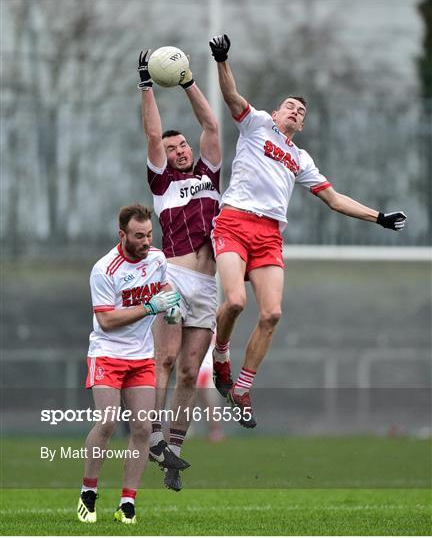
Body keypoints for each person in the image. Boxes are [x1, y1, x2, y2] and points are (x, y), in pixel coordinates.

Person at [208, 34, 407, 429]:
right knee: (233, 303)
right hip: (234, 220)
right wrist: (222, 60)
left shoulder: (300, 158)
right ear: (276, 111)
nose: (296, 112)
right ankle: (221, 355)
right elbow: (231, 96)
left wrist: (379, 216)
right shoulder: (257, 125)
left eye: (302, 111)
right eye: (291, 106)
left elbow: (333, 198)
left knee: (273, 313)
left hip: (268, 235)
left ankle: (243, 388)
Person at [137, 50, 222, 491]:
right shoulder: (162, 183)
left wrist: (189, 82)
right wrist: (147, 87)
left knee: (191, 370)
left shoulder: (210, 173)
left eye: (181, 144)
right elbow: (152, 135)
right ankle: (153, 438)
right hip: (172, 278)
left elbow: (210, 124)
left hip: (208, 286)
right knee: (165, 358)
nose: (179, 149)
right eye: (172, 149)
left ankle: (174, 453)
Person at [77, 204, 184, 525]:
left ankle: (127, 502)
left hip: (140, 357)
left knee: (141, 428)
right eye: (138, 236)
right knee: (108, 423)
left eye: (149, 234)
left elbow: (165, 289)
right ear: (122, 235)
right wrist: (151, 307)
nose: (146, 241)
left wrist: (172, 306)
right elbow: (107, 320)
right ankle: (88, 491)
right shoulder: (104, 270)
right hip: (108, 353)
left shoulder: (157, 258)